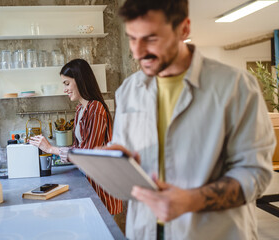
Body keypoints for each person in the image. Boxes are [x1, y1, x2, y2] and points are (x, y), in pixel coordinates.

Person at [104, 0, 276, 239]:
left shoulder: (235, 86)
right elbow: (130, 160)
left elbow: (255, 174)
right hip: (145, 231)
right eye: (132, 38)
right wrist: (118, 162)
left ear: (183, 29)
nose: (138, 51)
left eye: (151, 38)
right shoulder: (128, 91)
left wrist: (191, 201)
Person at [29, 59, 123, 215]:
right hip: (90, 179)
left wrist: (51, 148)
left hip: (102, 184)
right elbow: (78, 148)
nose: (65, 89)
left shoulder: (95, 108)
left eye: (67, 83)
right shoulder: (81, 109)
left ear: (80, 80)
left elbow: (87, 153)